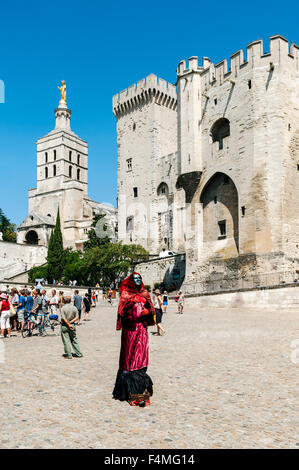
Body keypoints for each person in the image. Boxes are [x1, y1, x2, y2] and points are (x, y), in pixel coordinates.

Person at [113, 272, 156, 406]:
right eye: (135, 278)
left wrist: (147, 312)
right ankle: (130, 393)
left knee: (141, 358)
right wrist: (131, 303)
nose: (138, 280)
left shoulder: (145, 293)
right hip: (130, 331)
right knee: (130, 359)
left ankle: (141, 392)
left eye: (139, 278)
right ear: (131, 280)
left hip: (142, 331)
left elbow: (152, 309)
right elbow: (121, 312)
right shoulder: (125, 294)